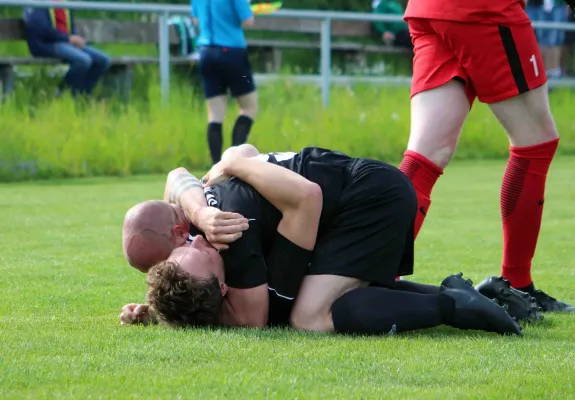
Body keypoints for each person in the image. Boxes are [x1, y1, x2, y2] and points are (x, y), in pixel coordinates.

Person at [121, 146, 533, 336]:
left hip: (367, 198)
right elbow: (182, 176)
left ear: (177, 233)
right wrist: (162, 310)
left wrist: (234, 165)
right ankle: (483, 296)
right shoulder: (197, 217)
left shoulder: (229, 234)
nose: (198, 245)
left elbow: (252, 318)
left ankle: (453, 305)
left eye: (185, 248)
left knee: (310, 318)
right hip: (358, 193)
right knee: (333, 293)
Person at [399, 0, 574, 312]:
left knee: (426, 155)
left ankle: (360, 278)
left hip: (428, 8)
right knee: (535, 145)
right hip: (482, 8)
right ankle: (517, 286)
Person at [192, 0, 258, 164]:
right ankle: (234, 163)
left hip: (207, 53)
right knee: (249, 108)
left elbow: (196, 20)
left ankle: (216, 167)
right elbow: (248, 20)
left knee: (215, 114)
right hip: (232, 53)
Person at [22, 4, 110, 97]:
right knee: (83, 60)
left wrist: (74, 39)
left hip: (66, 43)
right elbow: (41, 29)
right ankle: (62, 92)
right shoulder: (38, 4)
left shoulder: (64, 4)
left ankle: (82, 94)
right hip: (46, 44)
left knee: (103, 60)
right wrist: (68, 38)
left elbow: (69, 27)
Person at [526, 0, 568, 80]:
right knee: (543, 40)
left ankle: (553, 71)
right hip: (537, 6)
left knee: (555, 39)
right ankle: (545, 71)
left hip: (556, 6)